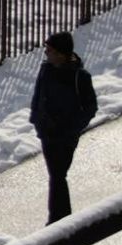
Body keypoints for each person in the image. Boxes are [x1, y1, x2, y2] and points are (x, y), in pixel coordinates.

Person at [28, 31, 98, 223]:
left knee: (58, 174)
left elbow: (90, 107)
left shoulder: (79, 76)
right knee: (57, 175)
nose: (46, 54)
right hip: (47, 132)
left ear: (61, 53)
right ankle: (60, 218)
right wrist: (36, 118)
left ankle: (58, 219)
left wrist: (72, 128)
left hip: (66, 136)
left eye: (49, 50)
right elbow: (38, 94)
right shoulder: (46, 70)